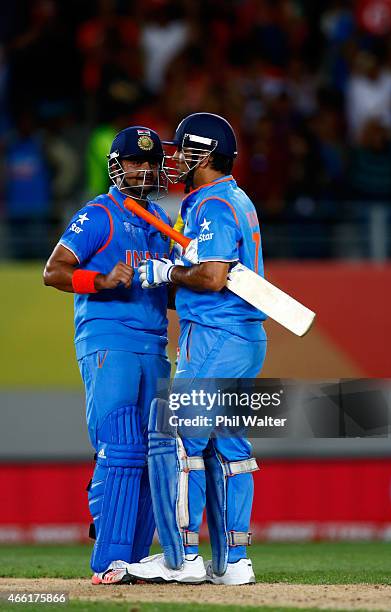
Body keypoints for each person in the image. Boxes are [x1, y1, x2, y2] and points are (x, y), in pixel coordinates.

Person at [109, 112, 267, 586]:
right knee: (227, 446)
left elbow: (214, 277)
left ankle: (181, 558)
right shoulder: (232, 199)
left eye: (182, 150)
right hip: (242, 337)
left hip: (217, 336)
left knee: (177, 438)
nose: (174, 158)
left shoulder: (214, 205)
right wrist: (177, 272)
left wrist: (167, 273)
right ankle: (233, 562)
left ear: (205, 154)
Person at [43, 126, 172, 584]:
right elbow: (54, 272)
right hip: (108, 340)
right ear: (117, 166)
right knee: (120, 448)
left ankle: (133, 564)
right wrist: (100, 281)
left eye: (151, 162)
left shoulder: (161, 221)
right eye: (135, 162)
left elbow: (168, 292)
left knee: (158, 454)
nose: (144, 169)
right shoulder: (99, 214)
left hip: (155, 344)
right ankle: (108, 564)